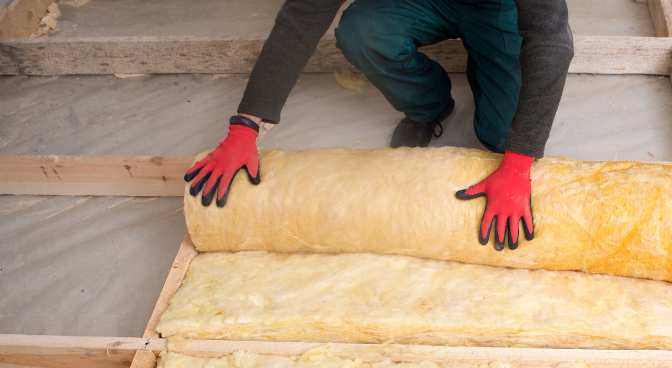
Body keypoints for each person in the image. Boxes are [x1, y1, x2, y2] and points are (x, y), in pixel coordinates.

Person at [184, 0, 573, 250]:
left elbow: (550, 37)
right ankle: (429, 105)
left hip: (499, 7)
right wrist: (245, 125)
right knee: (363, 30)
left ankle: (488, 62)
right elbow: (303, 15)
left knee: (503, 135)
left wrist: (520, 161)